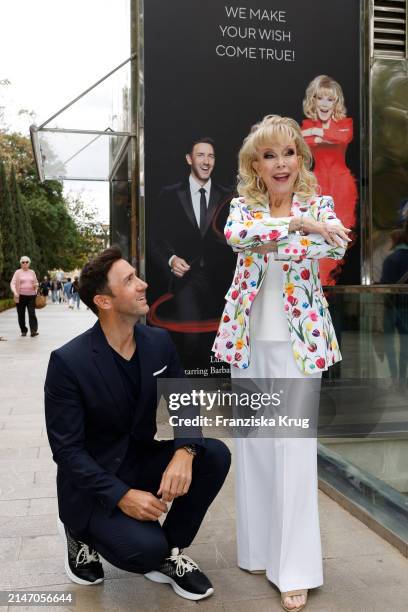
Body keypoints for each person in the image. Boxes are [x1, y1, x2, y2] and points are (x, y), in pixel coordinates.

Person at [212, 115, 350, 611]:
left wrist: (303, 228)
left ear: (300, 159)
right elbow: (239, 238)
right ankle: (260, 551)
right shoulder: (243, 207)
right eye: (269, 155)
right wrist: (294, 224)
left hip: (299, 343)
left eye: (288, 153)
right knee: (256, 448)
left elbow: (329, 242)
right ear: (255, 163)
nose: (280, 163)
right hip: (248, 339)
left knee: (292, 450)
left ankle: (294, 567)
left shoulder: (322, 204)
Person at [44, 246, 231, 601]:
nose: (143, 284)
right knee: (141, 551)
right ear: (104, 301)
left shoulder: (158, 341)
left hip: (139, 460)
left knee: (215, 454)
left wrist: (185, 450)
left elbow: (184, 401)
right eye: (129, 280)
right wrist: (122, 496)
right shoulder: (68, 362)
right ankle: (78, 533)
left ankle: (170, 553)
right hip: (94, 485)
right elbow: (67, 452)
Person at [148, 137, 235, 370]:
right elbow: (155, 239)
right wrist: (171, 259)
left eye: (211, 156)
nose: (207, 162)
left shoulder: (230, 196)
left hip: (222, 283)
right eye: (201, 155)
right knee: (189, 340)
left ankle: (222, 395)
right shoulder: (169, 195)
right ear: (189, 159)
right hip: (186, 281)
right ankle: (185, 391)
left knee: (219, 342)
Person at [301, 75, 358, 285]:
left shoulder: (345, 123)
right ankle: (319, 285)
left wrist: (317, 133)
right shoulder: (307, 124)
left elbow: (342, 137)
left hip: (342, 186)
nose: (324, 104)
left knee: (338, 235)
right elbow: (302, 139)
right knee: (317, 235)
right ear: (312, 100)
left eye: (329, 99)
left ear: (336, 102)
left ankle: (327, 285)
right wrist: (319, 133)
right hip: (316, 185)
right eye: (319, 98)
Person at [380, 222, 408, 389]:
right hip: (406, 307)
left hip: (391, 307)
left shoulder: (391, 259)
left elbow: (385, 283)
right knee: (405, 344)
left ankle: (394, 376)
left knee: (389, 345)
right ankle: (403, 378)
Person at [10, 256, 39, 337]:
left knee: (32, 313)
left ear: (29, 263)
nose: (25, 263)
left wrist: (36, 285)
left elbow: (36, 282)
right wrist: (15, 292)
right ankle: (23, 330)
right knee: (21, 314)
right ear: (21, 263)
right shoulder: (17, 272)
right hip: (20, 296)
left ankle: (33, 331)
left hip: (31, 296)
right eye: (23, 262)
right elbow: (12, 283)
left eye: (26, 262)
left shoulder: (32, 272)